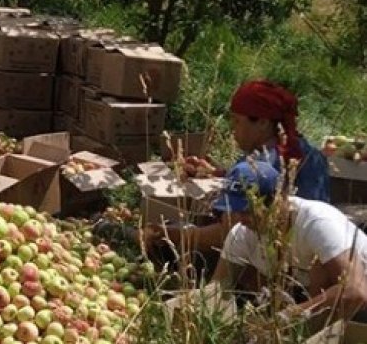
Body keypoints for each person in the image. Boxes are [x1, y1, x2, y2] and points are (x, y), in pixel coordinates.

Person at [146, 80, 330, 256]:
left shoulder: (262, 162)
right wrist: (218, 174)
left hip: (273, 258)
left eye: (237, 122)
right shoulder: (310, 153)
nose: (233, 130)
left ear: (263, 123)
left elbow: (227, 234)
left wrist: (168, 235)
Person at [209, 160, 367, 322]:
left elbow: (356, 292)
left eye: (248, 210)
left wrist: (286, 318)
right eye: (235, 211)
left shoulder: (318, 222)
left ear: (279, 199)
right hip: (307, 303)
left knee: (321, 269)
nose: (240, 218)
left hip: (359, 310)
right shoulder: (241, 234)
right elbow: (215, 293)